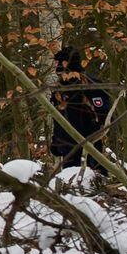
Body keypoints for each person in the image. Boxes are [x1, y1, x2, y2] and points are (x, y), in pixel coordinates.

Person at [49, 46, 111, 175]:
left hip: (89, 145)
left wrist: (94, 133)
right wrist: (56, 141)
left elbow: (104, 115)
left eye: (60, 62)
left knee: (92, 178)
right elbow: (57, 117)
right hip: (67, 147)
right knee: (70, 179)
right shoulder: (59, 89)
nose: (57, 66)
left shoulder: (90, 85)